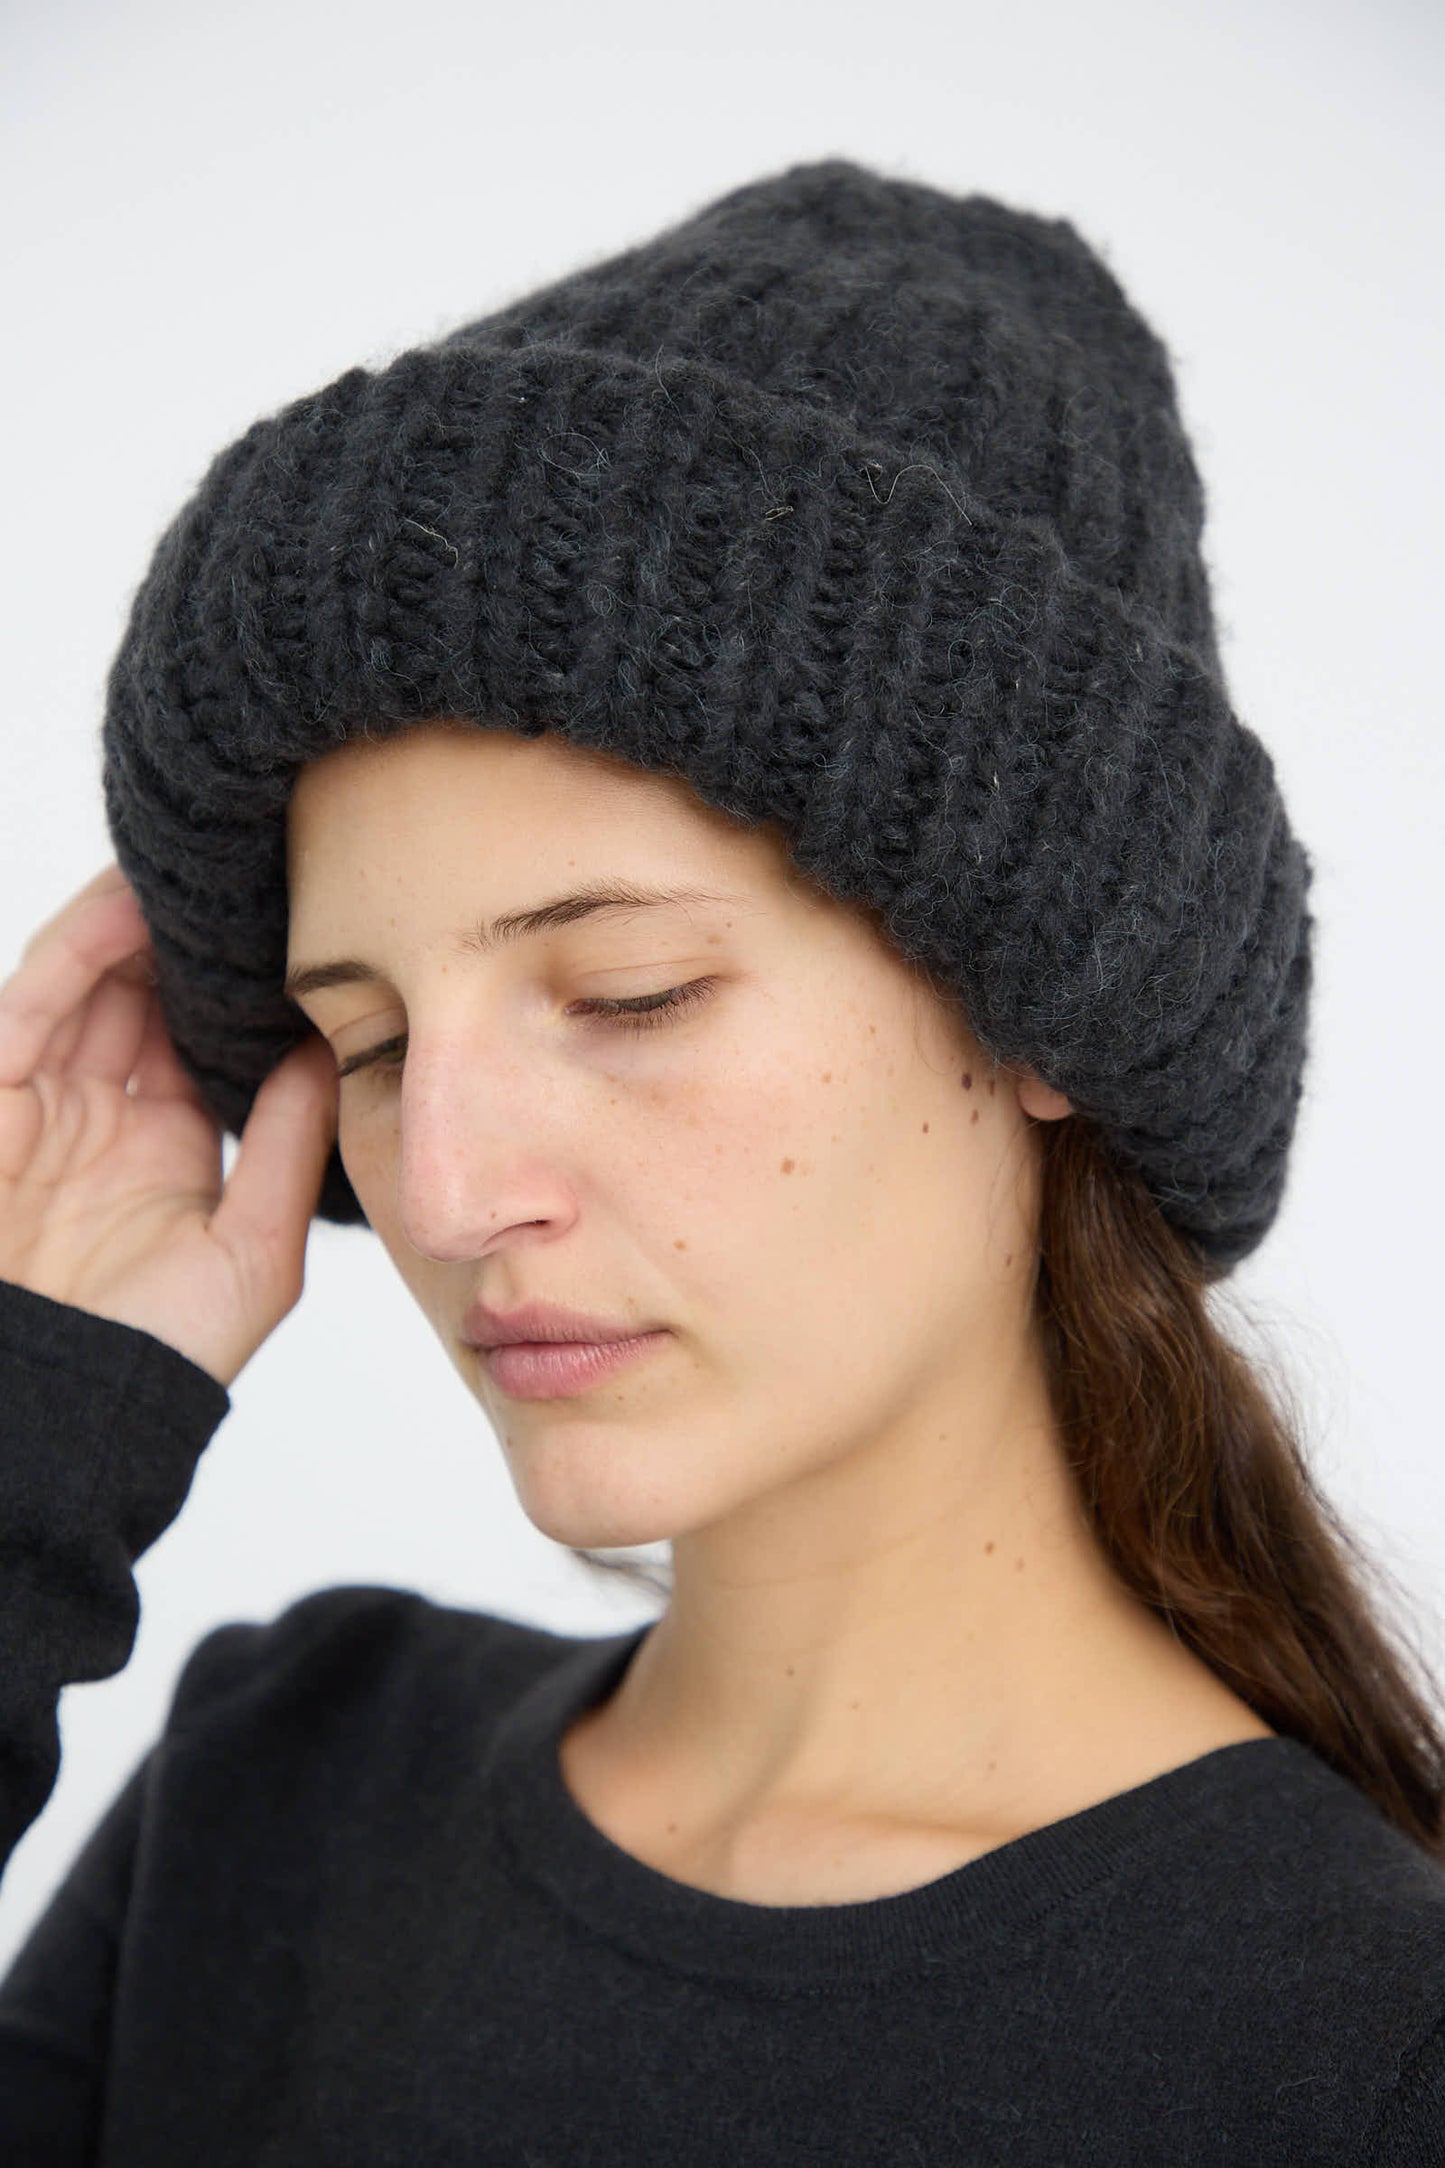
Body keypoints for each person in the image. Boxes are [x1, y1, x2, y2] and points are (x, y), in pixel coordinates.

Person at [1, 157, 1442, 2160]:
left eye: (632, 991)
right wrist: (38, 1424)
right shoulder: (275, 1798)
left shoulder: (1361, 2047)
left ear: (1041, 1003)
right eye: (374, 1041)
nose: (438, 1191)